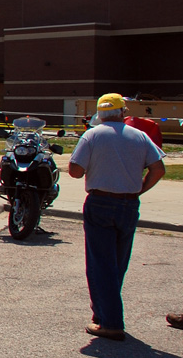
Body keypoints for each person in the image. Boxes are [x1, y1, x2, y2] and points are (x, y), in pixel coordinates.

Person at [68, 93, 166, 342]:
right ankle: (103, 313)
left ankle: (110, 322)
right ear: (123, 112)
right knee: (117, 263)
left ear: (99, 114)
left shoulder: (92, 135)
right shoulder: (140, 136)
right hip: (129, 204)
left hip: (100, 201)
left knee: (101, 264)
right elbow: (158, 169)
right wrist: (140, 188)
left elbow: (75, 171)